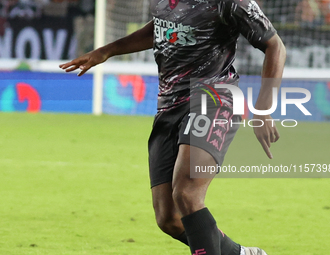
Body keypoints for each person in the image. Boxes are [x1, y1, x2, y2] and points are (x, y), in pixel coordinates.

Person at [60, 0, 286, 254]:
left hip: (213, 99)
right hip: (169, 106)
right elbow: (161, 27)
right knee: (170, 219)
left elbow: (274, 45)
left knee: (187, 193)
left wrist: (264, 109)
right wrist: (107, 51)